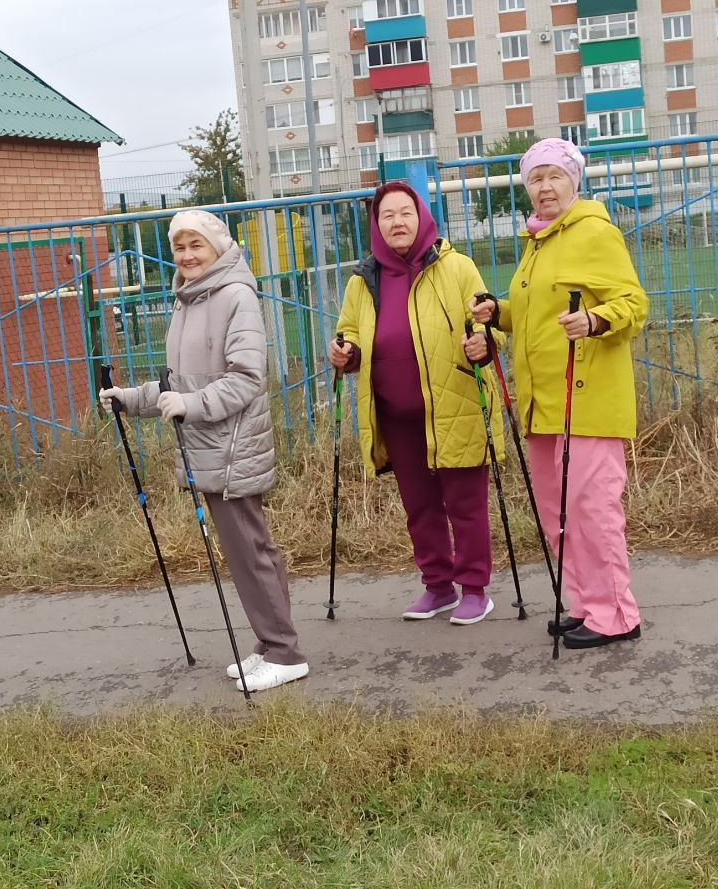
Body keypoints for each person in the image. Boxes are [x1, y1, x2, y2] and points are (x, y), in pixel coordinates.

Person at [99, 210, 308, 692]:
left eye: (197, 245)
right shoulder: (188, 300)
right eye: (179, 247)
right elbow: (181, 386)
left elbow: (247, 379)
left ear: (217, 248)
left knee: (251, 551)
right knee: (244, 552)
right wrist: (131, 399)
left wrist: (191, 405)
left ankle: (286, 652)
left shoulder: (235, 295)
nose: (188, 255)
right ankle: (268, 644)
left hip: (232, 447)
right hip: (207, 447)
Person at [470, 138, 649, 650]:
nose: (544, 187)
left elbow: (633, 303)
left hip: (587, 400)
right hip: (543, 404)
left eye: (554, 176)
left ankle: (617, 614)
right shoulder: (539, 241)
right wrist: (498, 311)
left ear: (575, 180)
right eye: (535, 179)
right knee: (559, 515)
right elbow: (535, 317)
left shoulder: (594, 232)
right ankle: (587, 605)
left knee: (593, 512)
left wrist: (596, 320)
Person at [329, 181, 503, 625]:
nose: (397, 222)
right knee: (420, 507)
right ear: (376, 225)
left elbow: (488, 323)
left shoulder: (456, 267)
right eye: (387, 216)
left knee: (465, 506)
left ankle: (475, 590)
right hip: (396, 414)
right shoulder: (362, 281)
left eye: (405, 212)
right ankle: (438, 587)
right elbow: (350, 332)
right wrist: (345, 353)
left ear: (422, 216)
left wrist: (483, 343)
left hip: (455, 403)